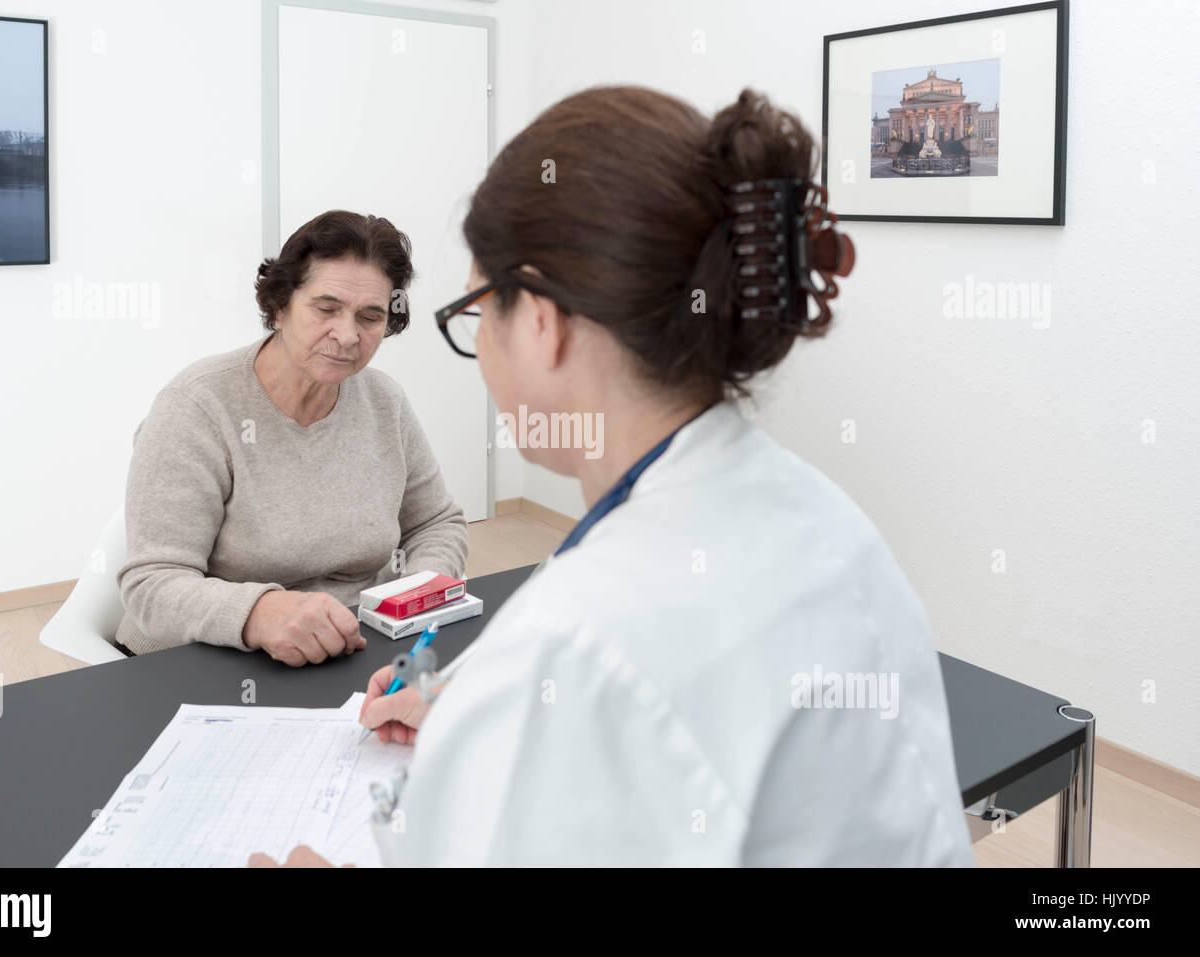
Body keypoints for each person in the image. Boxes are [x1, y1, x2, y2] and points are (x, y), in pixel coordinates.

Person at [251, 86, 974, 865]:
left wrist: (507, 721)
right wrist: (483, 714)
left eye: (478, 310)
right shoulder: (832, 526)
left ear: (541, 321)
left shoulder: (579, 642)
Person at [115, 211, 468, 664]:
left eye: (370, 316)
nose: (346, 335)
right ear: (280, 306)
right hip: (200, 660)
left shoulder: (384, 401)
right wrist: (259, 613)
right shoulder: (197, 406)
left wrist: (412, 601)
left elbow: (435, 524)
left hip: (351, 650)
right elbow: (153, 585)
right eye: (326, 308)